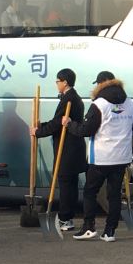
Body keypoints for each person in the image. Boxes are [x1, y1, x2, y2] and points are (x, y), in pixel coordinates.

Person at [67, 71, 133, 241]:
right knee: (114, 195)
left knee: (90, 192)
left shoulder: (99, 104)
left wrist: (70, 125)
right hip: (122, 157)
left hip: (101, 157)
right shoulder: (129, 103)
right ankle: (110, 232)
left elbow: (86, 130)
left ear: (101, 84)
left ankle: (89, 227)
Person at [32, 69, 87, 231]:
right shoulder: (75, 97)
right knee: (71, 183)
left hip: (67, 147)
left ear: (65, 82)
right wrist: (42, 126)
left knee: (65, 183)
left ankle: (65, 218)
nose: (56, 84)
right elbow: (57, 121)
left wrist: (38, 132)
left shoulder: (69, 99)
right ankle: (68, 217)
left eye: (58, 81)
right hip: (74, 147)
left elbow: (57, 124)